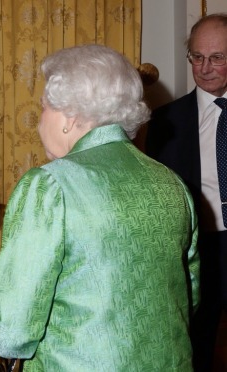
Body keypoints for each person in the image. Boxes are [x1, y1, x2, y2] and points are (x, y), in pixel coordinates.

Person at [0, 44, 199, 371]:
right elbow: (189, 296)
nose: (40, 122)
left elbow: (12, 330)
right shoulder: (173, 184)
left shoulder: (51, 185)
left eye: (43, 108)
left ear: (69, 115)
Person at [146, 13, 227, 371]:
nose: (205, 68)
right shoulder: (165, 122)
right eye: (197, 57)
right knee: (199, 346)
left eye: (218, 57)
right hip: (199, 251)